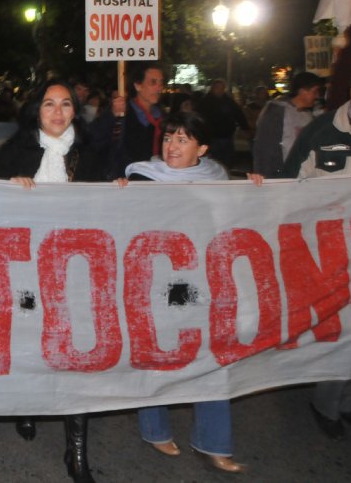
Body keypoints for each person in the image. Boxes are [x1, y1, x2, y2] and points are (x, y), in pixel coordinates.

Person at [118, 112, 256, 474]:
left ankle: (213, 442)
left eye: (182, 139)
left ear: (202, 148)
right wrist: (115, 195)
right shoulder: (142, 177)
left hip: (203, 278)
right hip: (157, 280)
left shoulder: (219, 179)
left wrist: (257, 191)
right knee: (161, 352)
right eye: (168, 138)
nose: (172, 146)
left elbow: (234, 222)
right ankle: (155, 429)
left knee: (211, 355)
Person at [280, 58, 351, 439]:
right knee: (343, 326)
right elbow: (290, 185)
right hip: (335, 250)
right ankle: (327, 404)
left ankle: (345, 399)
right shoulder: (323, 129)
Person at [0, 81, 93, 483]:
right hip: (28, 271)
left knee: (77, 352)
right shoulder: (14, 152)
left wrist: (118, 189)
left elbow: (114, 204)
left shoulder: (91, 154)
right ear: (37, 111)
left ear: (74, 111)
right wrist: (9, 190)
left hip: (77, 273)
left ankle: (78, 452)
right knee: (32, 340)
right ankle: (27, 404)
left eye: (65, 104)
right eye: (49, 104)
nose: (57, 111)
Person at [86, 62, 165, 180]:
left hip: (154, 181)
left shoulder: (162, 118)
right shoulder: (121, 113)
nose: (158, 88)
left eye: (161, 83)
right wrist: (112, 115)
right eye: (153, 82)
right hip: (124, 181)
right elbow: (94, 139)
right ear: (138, 85)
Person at [252, 72, 322, 178]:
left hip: (302, 176)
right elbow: (264, 148)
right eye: (315, 91)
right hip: (280, 177)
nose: (317, 96)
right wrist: (265, 178)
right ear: (302, 91)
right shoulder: (276, 112)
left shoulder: (308, 115)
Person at [194, 79, 248, 168]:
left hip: (226, 135)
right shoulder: (205, 102)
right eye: (217, 88)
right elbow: (199, 117)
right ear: (213, 88)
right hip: (212, 137)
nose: (220, 90)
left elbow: (238, 114)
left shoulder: (228, 101)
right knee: (214, 161)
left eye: (222, 88)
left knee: (227, 160)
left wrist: (245, 128)